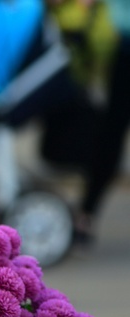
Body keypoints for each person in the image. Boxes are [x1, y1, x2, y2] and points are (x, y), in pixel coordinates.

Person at [73, 0, 130, 246]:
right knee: (110, 136)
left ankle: (86, 213)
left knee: (110, 135)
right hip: (121, 45)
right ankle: (87, 212)